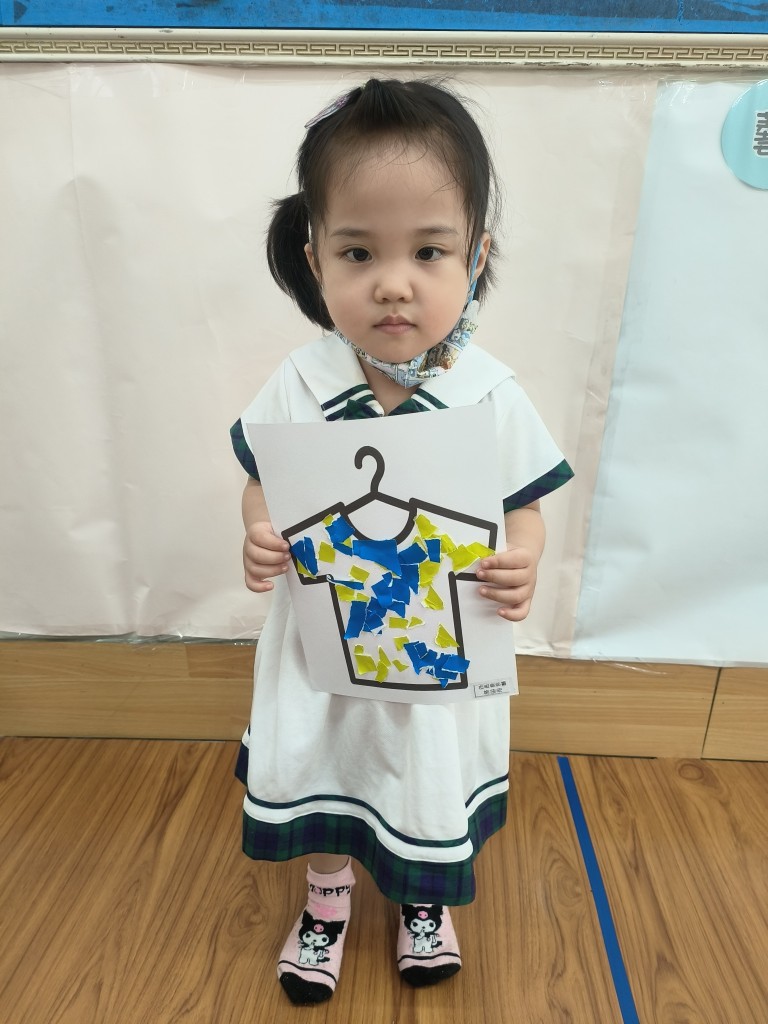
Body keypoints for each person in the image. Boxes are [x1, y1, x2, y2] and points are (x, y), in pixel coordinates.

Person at [230, 77, 573, 1006]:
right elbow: (264, 478)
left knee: (422, 776)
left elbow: (526, 507)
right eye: (359, 251)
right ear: (315, 258)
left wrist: (524, 559)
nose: (393, 281)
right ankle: (328, 899)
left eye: (428, 250)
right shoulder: (300, 381)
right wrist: (259, 532)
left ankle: (424, 900)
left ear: (475, 255)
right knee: (328, 763)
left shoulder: (489, 394)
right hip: (324, 645)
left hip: (439, 650)